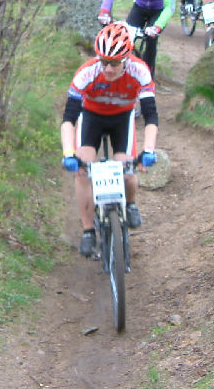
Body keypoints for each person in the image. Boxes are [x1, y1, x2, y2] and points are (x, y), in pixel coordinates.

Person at [60, 22, 159, 257]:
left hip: (122, 118)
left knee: (126, 168)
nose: (108, 68)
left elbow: (151, 115)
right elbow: (69, 119)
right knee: (83, 169)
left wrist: (149, 150)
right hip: (91, 117)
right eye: (104, 61)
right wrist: (67, 153)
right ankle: (88, 231)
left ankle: (131, 203)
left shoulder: (140, 71)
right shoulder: (87, 72)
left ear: (126, 59)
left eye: (114, 63)